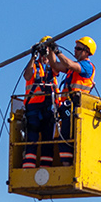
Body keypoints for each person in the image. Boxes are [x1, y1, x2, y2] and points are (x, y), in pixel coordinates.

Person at [48, 35, 96, 166]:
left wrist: (58, 51)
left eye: (78, 48)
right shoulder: (73, 69)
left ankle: (68, 165)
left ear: (86, 51)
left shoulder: (87, 66)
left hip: (76, 108)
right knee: (64, 137)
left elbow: (68, 64)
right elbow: (55, 65)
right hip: (67, 108)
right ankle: (66, 164)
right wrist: (50, 51)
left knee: (67, 137)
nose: (74, 50)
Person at [20, 40, 58, 169]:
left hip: (49, 107)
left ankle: (45, 167)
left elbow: (58, 68)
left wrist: (52, 51)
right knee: (32, 138)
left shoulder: (52, 68)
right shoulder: (34, 66)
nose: (45, 56)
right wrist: (33, 56)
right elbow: (27, 75)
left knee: (48, 140)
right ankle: (29, 166)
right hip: (34, 108)